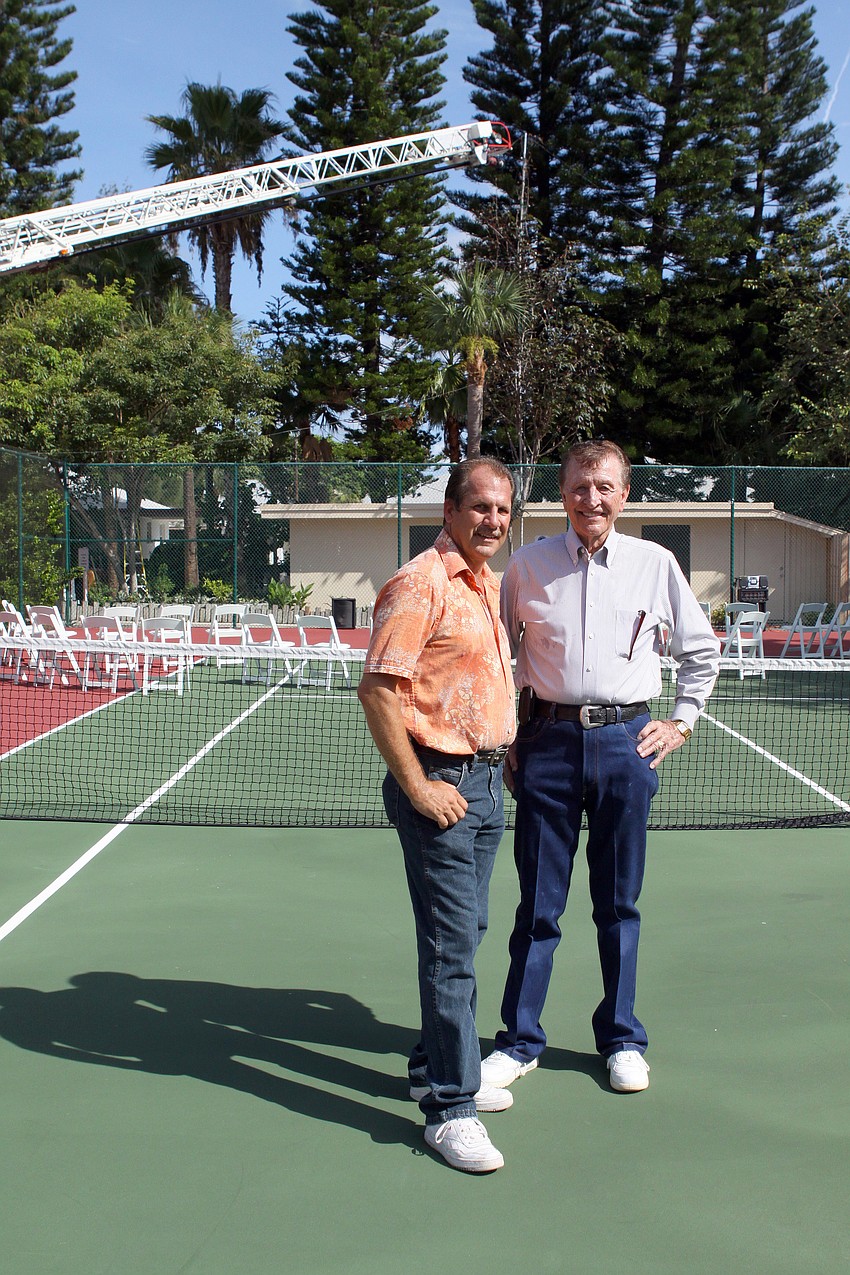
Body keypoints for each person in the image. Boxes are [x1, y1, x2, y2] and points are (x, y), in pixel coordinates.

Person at [481, 439, 720, 1095]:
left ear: (625, 493)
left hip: (627, 748)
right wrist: (509, 739)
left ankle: (621, 1038)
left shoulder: (655, 563)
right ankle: (520, 1039)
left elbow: (701, 652)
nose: (592, 498)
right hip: (546, 746)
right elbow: (497, 658)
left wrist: (681, 720)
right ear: (564, 493)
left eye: (605, 486)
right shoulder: (526, 566)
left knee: (618, 905)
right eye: (581, 487)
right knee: (539, 907)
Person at [358, 458, 516, 1173]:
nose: (493, 520)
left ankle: (429, 1063)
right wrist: (421, 788)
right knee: (452, 949)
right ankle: (451, 1107)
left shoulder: (482, 583)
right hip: (442, 787)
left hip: (486, 786)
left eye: (503, 510)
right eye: (479, 506)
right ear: (450, 510)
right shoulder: (421, 582)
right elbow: (379, 691)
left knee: (467, 930)